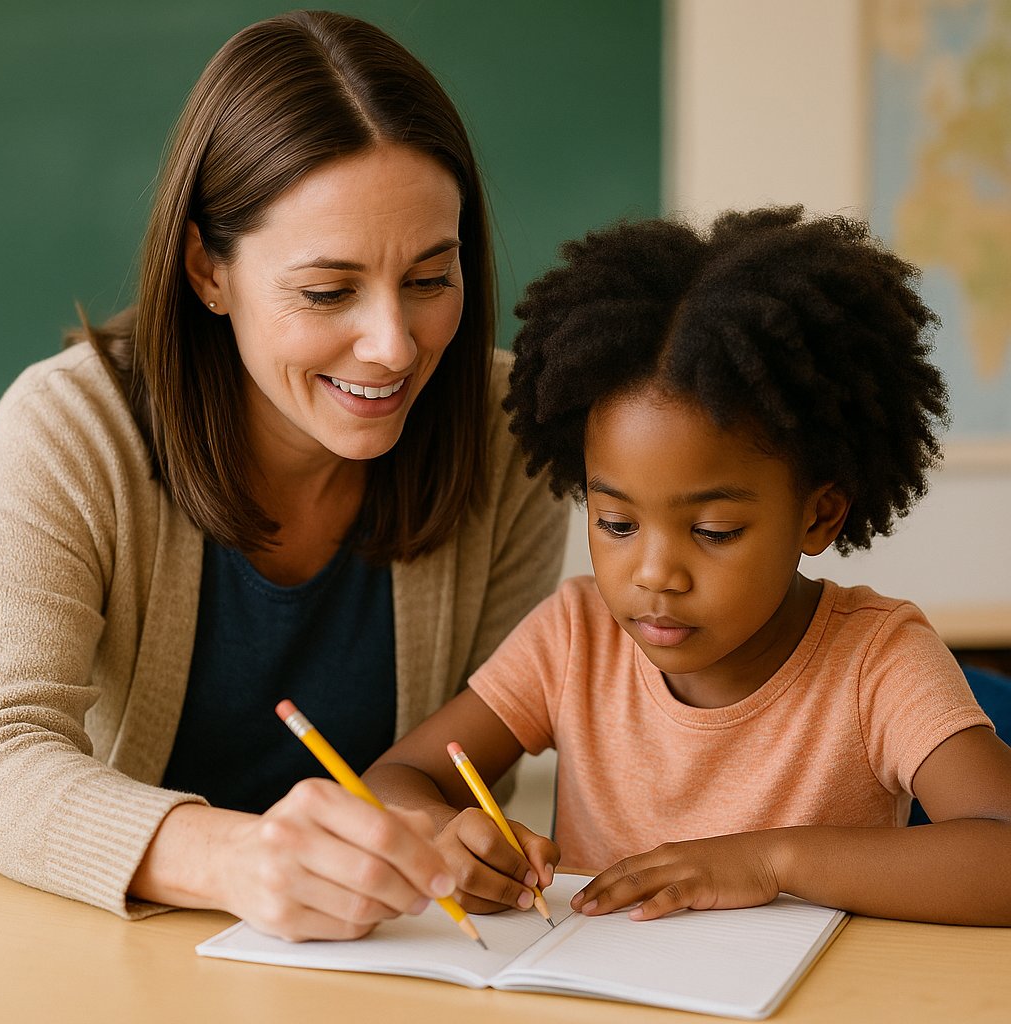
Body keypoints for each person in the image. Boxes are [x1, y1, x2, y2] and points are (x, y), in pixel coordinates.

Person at [0, 10, 566, 941]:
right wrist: (234, 858)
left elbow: (466, 764)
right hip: (116, 962)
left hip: (384, 968)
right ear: (207, 270)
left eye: (430, 278)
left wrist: (439, 829)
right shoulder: (69, 432)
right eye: (328, 291)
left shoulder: (507, 435)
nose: (392, 347)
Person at [365, 207, 1011, 926]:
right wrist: (446, 835)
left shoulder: (878, 661)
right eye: (616, 523)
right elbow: (399, 777)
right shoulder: (575, 637)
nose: (654, 574)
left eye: (713, 530)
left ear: (818, 515)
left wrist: (770, 860)